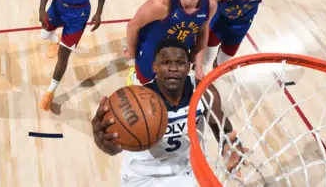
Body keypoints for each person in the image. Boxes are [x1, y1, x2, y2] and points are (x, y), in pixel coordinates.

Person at [92, 38, 248, 186]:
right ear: (154, 66)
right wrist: (102, 140)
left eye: (180, 63)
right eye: (165, 62)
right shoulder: (138, 101)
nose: (173, 68)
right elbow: (113, 150)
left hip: (183, 172)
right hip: (140, 175)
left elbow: (223, 129)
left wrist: (232, 148)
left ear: (188, 66)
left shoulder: (203, 92)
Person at [124, 0, 216, 86]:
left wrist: (198, 66)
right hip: (152, 54)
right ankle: (135, 75)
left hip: (179, 55)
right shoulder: (161, 4)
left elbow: (203, 31)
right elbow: (132, 26)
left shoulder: (210, 5)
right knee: (144, 93)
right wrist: (131, 52)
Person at [203, 0, 278, 69]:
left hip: (241, 26)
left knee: (223, 63)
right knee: (205, 56)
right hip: (219, 21)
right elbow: (205, 9)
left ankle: (216, 66)